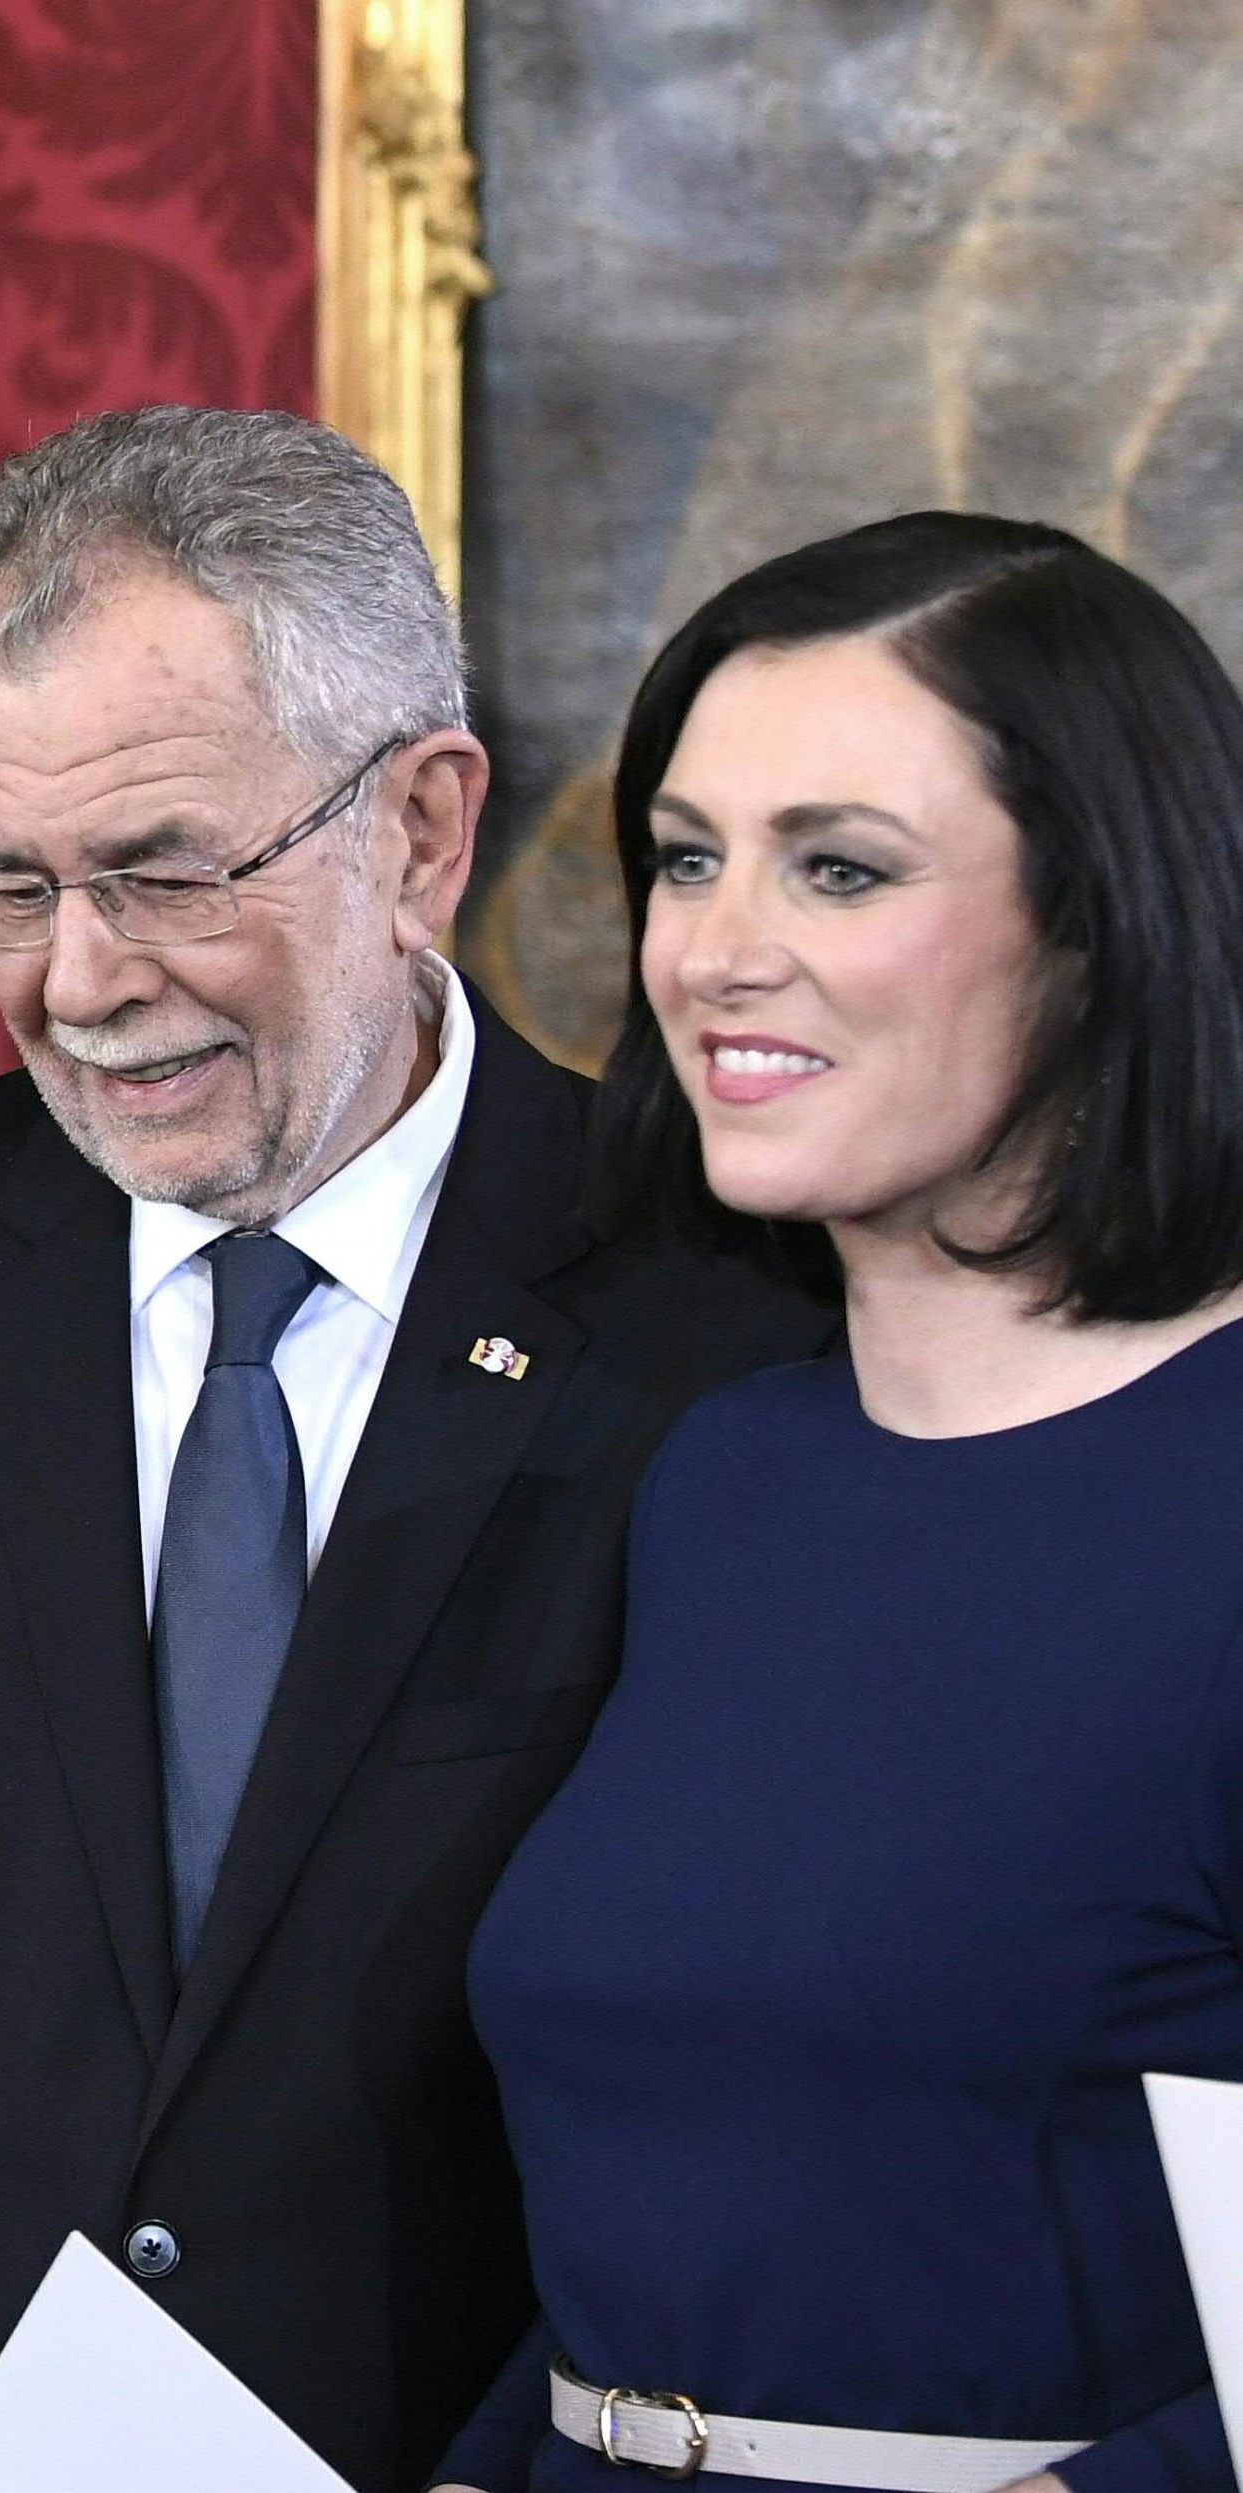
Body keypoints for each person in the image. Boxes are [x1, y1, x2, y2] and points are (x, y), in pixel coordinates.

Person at [0, 407, 833, 2493]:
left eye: (164, 872)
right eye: (11, 885)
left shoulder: (732, 1309)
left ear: (422, 832)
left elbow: (777, 2069)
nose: (79, 982)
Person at [435, 514, 1243, 2493]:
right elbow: (721, 2183)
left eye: (840, 866)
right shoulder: (725, 1470)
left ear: (1106, 913)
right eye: (687, 854)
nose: (714, 947)